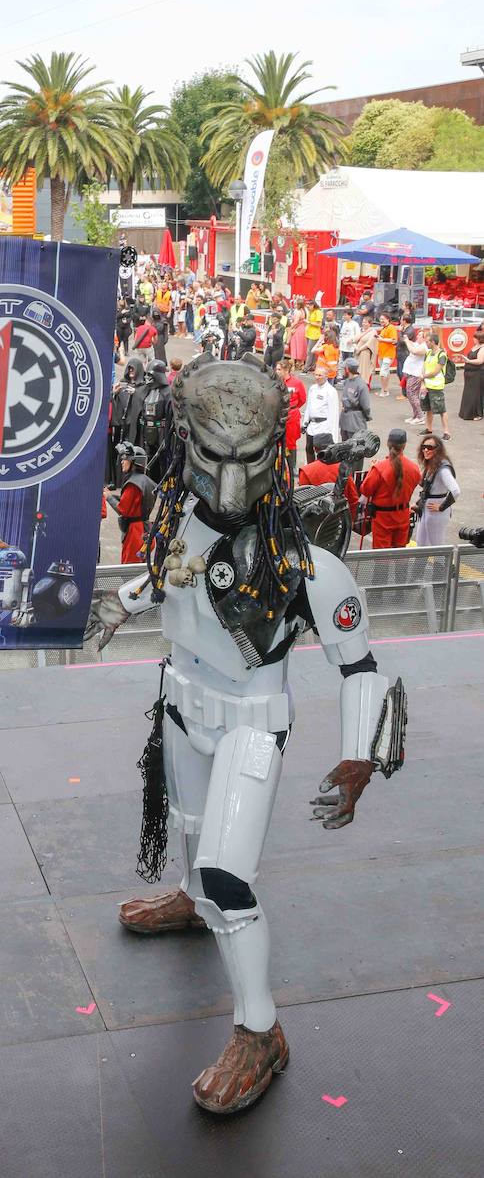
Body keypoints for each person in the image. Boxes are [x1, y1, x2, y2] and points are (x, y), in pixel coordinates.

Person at [86, 355, 405, 1116]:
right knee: (197, 845)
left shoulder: (308, 562)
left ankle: (259, 1029)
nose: (229, 484)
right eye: (213, 457)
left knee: (233, 877)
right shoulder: (173, 511)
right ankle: (195, 900)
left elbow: (359, 666)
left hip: (250, 724)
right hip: (181, 702)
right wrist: (119, 605)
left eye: (248, 459)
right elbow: (169, 571)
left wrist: (361, 753)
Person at [357, 429, 421, 548]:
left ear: (388, 444)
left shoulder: (379, 468)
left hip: (382, 518)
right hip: (402, 515)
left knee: (382, 558)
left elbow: (365, 490)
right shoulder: (414, 468)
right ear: (404, 445)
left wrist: (372, 469)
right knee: (399, 555)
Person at [104, 443, 155, 564]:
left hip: (135, 533)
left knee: (129, 569)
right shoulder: (146, 481)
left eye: (125, 459)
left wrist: (109, 498)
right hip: (144, 529)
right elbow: (129, 501)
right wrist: (112, 496)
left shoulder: (133, 484)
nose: (122, 461)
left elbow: (123, 509)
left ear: (133, 462)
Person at [297, 431, 358, 519]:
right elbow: (353, 499)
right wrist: (349, 522)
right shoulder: (343, 467)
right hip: (340, 520)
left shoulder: (306, 471)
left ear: (315, 449)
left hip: (315, 523)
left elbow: (302, 503)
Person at [414, 434, 460, 548]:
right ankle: (420, 566)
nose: (425, 450)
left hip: (435, 513)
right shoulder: (431, 465)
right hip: (426, 510)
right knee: (421, 543)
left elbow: (455, 490)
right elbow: (425, 485)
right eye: (423, 447)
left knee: (437, 546)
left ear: (437, 450)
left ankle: (441, 566)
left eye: (430, 448)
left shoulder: (442, 469)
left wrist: (441, 507)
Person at [301, 364, 340, 462]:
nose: (317, 377)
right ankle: (310, 471)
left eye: (320, 375)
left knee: (321, 453)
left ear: (326, 376)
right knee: (308, 450)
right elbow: (309, 407)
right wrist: (305, 422)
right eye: (316, 375)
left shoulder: (331, 391)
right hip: (311, 426)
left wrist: (333, 436)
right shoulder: (313, 388)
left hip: (323, 427)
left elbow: (334, 414)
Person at [276, 359, 306, 478]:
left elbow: (302, 399)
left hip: (291, 416)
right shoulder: (275, 382)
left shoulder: (296, 383)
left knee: (291, 442)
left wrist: (292, 408)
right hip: (278, 415)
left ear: (286, 370)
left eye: (279, 369)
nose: (276, 371)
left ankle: (292, 465)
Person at [421, 330, 450, 440]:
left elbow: (436, 371)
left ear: (433, 342)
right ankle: (429, 428)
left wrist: (423, 377)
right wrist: (423, 383)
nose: (426, 343)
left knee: (442, 410)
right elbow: (423, 367)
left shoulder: (442, 355)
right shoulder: (428, 353)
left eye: (427, 341)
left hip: (437, 386)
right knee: (428, 409)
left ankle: (447, 432)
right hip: (427, 385)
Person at [337, 357, 371, 439]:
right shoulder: (347, 382)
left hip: (356, 423)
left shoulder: (361, 385)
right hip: (345, 421)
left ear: (347, 369)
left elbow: (366, 406)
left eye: (344, 368)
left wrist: (365, 417)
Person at [402, 327, 429, 425]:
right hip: (411, 373)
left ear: (425, 338)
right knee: (410, 394)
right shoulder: (419, 344)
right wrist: (407, 339)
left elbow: (413, 350)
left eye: (420, 335)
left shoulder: (424, 347)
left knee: (412, 395)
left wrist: (406, 340)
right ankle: (416, 415)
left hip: (416, 374)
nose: (417, 336)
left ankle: (420, 416)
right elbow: (412, 344)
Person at [458, 325, 484, 421]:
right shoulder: (475, 346)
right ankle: (466, 412)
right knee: (468, 393)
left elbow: (480, 361)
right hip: (469, 374)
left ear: (479, 339)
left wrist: (468, 361)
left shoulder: (482, 348)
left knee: (476, 394)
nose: (473, 339)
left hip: (477, 374)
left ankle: (477, 413)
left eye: (475, 337)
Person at [376, 313, 397, 396]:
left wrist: (382, 339)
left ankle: (384, 391)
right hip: (382, 354)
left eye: (383, 319)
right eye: (380, 319)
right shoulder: (384, 328)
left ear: (388, 319)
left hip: (388, 354)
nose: (381, 321)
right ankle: (385, 389)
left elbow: (393, 340)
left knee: (383, 373)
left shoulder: (391, 328)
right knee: (386, 372)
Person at [354, 316, 378, 389]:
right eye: (363, 322)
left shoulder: (373, 332)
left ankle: (365, 386)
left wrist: (360, 349)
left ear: (370, 323)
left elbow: (369, 343)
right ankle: (358, 385)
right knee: (358, 369)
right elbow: (355, 339)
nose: (363, 323)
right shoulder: (361, 330)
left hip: (366, 352)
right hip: (357, 352)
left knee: (365, 370)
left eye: (365, 322)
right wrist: (356, 347)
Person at [286, 301, 307, 370]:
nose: (294, 305)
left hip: (297, 329)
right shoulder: (304, 311)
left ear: (298, 305)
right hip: (302, 329)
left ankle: (293, 365)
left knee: (294, 346)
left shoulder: (297, 311)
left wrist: (290, 327)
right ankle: (301, 363)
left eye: (295, 303)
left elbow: (296, 322)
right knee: (301, 346)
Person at [304, 299, 323, 371]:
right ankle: (311, 366)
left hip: (315, 334)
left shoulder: (318, 312)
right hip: (309, 333)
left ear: (313, 305)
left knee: (310, 351)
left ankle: (306, 368)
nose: (308, 308)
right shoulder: (311, 312)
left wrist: (309, 322)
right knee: (310, 351)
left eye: (309, 306)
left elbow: (319, 324)